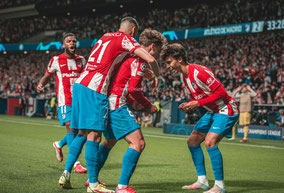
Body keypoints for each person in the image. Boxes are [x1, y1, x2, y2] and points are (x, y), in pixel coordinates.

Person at [58, 17, 160, 193]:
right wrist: (157, 74)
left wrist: (146, 74)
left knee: (82, 134)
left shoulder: (105, 36)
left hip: (81, 83)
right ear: (133, 30)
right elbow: (149, 58)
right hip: (95, 87)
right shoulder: (126, 39)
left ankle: (67, 173)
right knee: (95, 136)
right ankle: (93, 184)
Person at [84, 28, 166, 193]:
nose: (157, 56)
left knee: (109, 141)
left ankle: (91, 178)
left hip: (106, 102)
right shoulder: (140, 59)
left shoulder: (128, 54)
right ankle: (122, 187)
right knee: (138, 143)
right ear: (151, 46)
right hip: (116, 104)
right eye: (157, 51)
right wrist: (148, 105)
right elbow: (133, 89)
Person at [160, 43, 239, 193]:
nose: (168, 66)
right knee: (193, 141)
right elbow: (201, 97)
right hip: (212, 112)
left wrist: (197, 103)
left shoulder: (199, 72)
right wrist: (190, 104)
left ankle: (220, 186)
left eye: (169, 62)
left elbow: (221, 94)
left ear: (180, 59)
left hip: (226, 109)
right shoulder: (184, 77)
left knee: (210, 141)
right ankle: (202, 181)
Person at [36, 32, 87, 173]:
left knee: (78, 132)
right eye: (69, 41)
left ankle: (59, 144)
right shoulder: (56, 60)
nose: (72, 43)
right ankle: (76, 162)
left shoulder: (82, 60)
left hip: (79, 101)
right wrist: (41, 84)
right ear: (63, 45)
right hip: (65, 101)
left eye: (74, 41)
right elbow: (47, 76)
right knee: (71, 127)